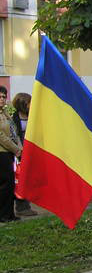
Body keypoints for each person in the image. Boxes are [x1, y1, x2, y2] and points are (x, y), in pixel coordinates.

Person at [11, 93, 35, 217]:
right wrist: (19, 150)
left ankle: (26, 205)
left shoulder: (32, 116)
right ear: (23, 104)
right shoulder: (14, 118)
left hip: (30, 152)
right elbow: (13, 136)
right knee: (20, 180)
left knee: (28, 179)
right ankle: (21, 206)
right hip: (19, 152)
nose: (31, 105)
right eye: (29, 103)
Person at [0, 86, 22, 223]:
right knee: (4, 184)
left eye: (4, 96)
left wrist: (20, 146)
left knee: (10, 185)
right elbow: (1, 137)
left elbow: (14, 132)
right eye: (0, 96)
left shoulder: (5, 113)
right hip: (2, 153)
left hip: (9, 153)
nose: (2, 99)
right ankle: (3, 215)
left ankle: (9, 214)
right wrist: (16, 149)